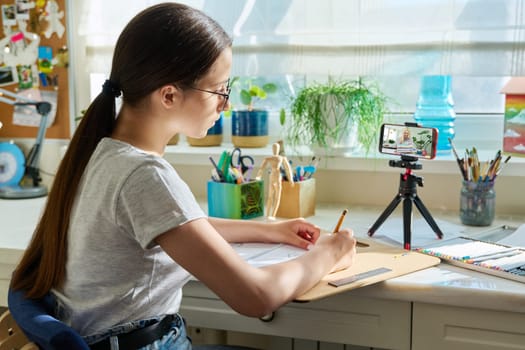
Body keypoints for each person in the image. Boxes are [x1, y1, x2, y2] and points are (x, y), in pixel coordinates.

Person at [9, 3, 357, 349]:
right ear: (170, 95)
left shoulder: (105, 153)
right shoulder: (144, 175)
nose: (226, 104)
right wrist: (329, 253)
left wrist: (269, 231)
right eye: (220, 90)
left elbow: (178, 226)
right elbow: (256, 296)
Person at [256, 142, 294, 219]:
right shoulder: (269, 158)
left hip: (277, 178)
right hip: (272, 178)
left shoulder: (282, 158)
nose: (275, 150)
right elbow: (261, 168)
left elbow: (288, 169)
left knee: (277, 197)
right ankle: (267, 215)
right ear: (272, 149)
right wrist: (258, 176)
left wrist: (291, 179)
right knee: (270, 197)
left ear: (279, 149)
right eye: (274, 148)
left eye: (276, 148)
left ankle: (273, 215)